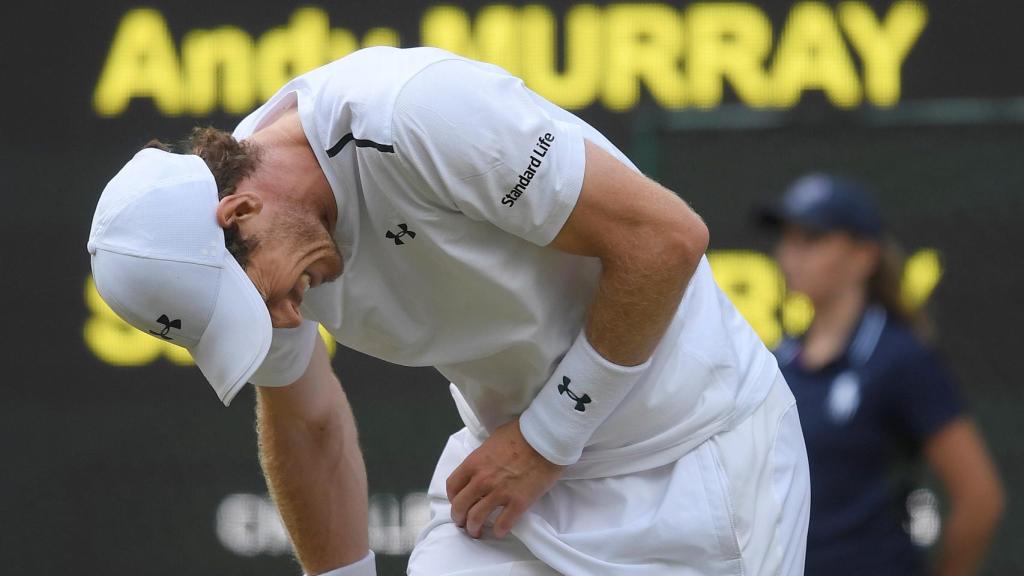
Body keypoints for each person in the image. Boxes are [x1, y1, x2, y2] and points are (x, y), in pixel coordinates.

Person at [87, 46, 809, 576]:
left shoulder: (412, 112)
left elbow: (665, 241)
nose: (279, 321)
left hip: (696, 458)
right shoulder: (272, 241)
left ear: (240, 209)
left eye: (255, 299)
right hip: (513, 483)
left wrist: (546, 440)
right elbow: (306, 421)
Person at [758, 174, 1005, 576]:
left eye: (813, 238)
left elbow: (980, 498)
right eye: (788, 238)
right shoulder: (778, 359)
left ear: (864, 256)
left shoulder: (901, 358)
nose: (791, 254)